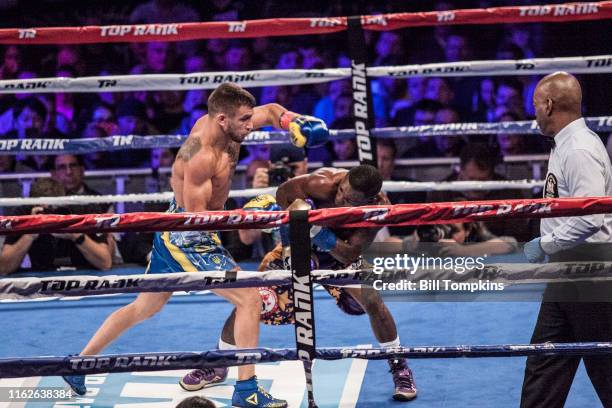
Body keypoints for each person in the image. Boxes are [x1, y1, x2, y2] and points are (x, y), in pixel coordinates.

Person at [63, 82, 329, 408]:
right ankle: (246, 390)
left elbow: (272, 111)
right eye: (244, 120)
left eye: (249, 118)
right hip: (189, 235)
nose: (251, 126)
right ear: (222, 119)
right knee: (249, 298)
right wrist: (253, 214)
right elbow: (198, 220)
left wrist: (293, 121)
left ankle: (79, 364)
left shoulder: (229, 126)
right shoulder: (201, 156)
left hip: (180, 228)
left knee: (145, 307)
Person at [181, 165, 417, 402]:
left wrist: (316, 230)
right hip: (300, 245)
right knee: (250, 299)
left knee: (373, 301)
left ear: (368, 200)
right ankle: (219, 363)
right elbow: (283, 195)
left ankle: (400, 367)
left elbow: (348, 254)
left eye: (349, 200)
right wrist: (290, 245)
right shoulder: (321, 183)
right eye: (342, 191)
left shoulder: (377, 208)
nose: (339, 199)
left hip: (339, 255)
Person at [520, 72, 612, 408]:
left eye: (535, 106)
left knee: (605, 367)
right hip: (568, 272)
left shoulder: (579, 150)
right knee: (545, 361)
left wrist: (546, 244)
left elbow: (591, 217)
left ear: (548, 104)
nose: (534, 114)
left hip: (589, 271)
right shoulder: (567, 144)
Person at [0, 178, 113, 275]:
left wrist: (76, 235)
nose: (52, 218)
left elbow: (105, 263)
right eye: (47, 211)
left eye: (55, 210)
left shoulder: (84, 209)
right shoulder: (23, 214)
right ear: (33, 205)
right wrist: (30, 233)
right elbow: (4, 268)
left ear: (64, 201)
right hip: (42, 279)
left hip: (86, 275)